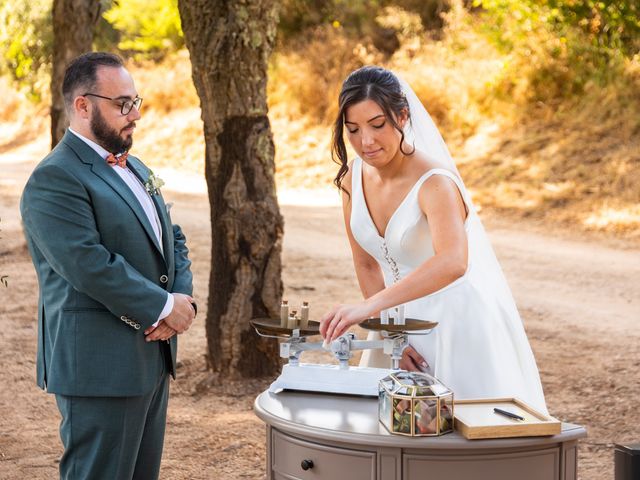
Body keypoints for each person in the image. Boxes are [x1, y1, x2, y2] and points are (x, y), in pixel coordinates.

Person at [319, 66, 547, 413]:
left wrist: (369, 307)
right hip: (394, 326)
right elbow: (366, 262)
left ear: (403, 116)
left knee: (465, 437)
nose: (366, 141)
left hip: (454, 324)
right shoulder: (352, 178)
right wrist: (392, 332)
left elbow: (453, 262)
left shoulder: (435, 182)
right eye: (353, 129)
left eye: (378, 125)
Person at [20, 52, 196, 479]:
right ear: (83, 106)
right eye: (122, 104)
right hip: (98, 365)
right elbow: (88, 264)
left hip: (151, 358)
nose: (134, 115)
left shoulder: (135, 166)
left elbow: (171, 238)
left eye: (136, 102)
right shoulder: (55, 178)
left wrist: (182, 299)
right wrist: (161, 307)